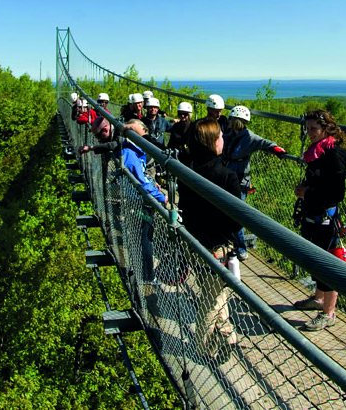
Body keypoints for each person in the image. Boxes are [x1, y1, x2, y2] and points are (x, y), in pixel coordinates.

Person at [180, 118, 242, 345]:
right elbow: (237, 221)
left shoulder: (187, 169)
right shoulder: (227, 176)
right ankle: (201, 346)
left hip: (193, 244)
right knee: (212, 299)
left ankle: (226, 334)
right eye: (220, 136)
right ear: (212, 142)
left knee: (213, 291)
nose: (223, 139)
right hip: (217, 248)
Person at [293, 109, 346, 332]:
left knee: (327, 263)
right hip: (313, 213)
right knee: (314, 258)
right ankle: (318, 298)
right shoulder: (318, 151)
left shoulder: (332, 155)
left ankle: (328, 312)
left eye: (314, 129)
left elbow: (337, 193)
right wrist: (307, 191)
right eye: (307, 129)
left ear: (325, 129)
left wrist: (308, 193)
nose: (310, 133)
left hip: (325, 216)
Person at [223, 105, 286, 260]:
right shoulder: (228, 134)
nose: (229, 121)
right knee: (225, 210)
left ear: (236, 120)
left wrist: (276, 149)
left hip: (239, 181)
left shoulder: (248, 137)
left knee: (237, 213)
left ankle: (241, 248)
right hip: (227, 176)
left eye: (231, 119)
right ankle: (228, 241)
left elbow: (263, 143)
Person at [121, 119, 167, 284]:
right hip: (140, 202)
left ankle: (140, 270)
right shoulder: (131, 154)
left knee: (140, 235)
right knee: (146, 237)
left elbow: (141, 176)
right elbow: (141, 182)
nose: (145, 139)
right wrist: (162, 198)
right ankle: (148, 275)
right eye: (142, 135)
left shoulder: (130, 150)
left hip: (134, 199)